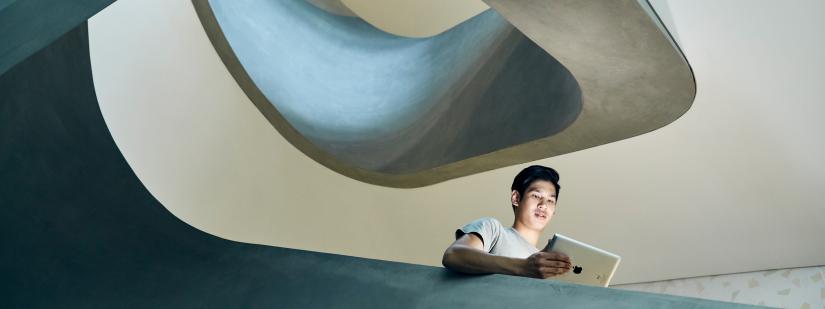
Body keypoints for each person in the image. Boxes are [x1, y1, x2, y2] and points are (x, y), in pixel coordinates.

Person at [442, 165, 572, 279]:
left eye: (550, 200)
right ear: (516, 198)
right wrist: (523, 266)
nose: (543, 205)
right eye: (536, 196)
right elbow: (453, 255)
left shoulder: (544, 266)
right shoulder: (494, 229)